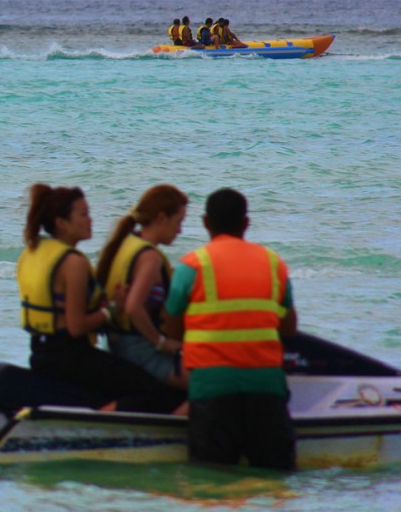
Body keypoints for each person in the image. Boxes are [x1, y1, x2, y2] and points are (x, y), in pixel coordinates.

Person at [18, 184, 186, 414]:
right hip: (68, 355)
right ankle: (98, 425)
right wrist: (112, 310)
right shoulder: (73, 263)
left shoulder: (35, 250)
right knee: (151, 392)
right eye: (83, 214)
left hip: (41, 351)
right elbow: (76, 327)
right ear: (61, 223)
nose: (91, 220)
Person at [162, 188, 297, 470]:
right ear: (246, 223)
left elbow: (171, 329)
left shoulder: (191, 266)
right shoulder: (274, 264)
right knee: (274, 478)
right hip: (266, 388)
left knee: (212, 480)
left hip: (212, 390)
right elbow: (289, 328)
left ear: (206, 223)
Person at [96, 185, 189, 389]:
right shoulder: (150, 257)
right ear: (162, 218)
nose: (180, 230)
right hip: (140, 351)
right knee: (208, 383)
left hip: (115, 345)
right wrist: (161, 343)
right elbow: (133, 307)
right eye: (178, 222)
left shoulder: (126, 243)